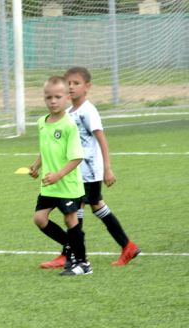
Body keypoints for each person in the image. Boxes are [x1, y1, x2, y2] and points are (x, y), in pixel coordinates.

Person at [39, 66, 138, 268]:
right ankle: (124, 246)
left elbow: (101, 139)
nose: (71, 87)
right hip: (75, 173)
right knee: (88, 208)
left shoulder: (88, 111)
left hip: (89, 171)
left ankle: (73, 255)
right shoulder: (67, 112)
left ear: (87, 87)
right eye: (69, 83)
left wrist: (107, 168)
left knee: (80, 211)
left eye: (76, 83)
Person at [29, 75, 91, 276]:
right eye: (49, 97)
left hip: (67, 184)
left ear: (67, 98)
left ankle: (83, 264)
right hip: (49, 185)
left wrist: (58, 175)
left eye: (57, 97)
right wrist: (36, 165)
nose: (53, 101)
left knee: (70, 220)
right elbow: (45, 149)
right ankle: (70, 245)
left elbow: (77, 157)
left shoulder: (69, 125)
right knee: (39, 219)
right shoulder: (42, 122)